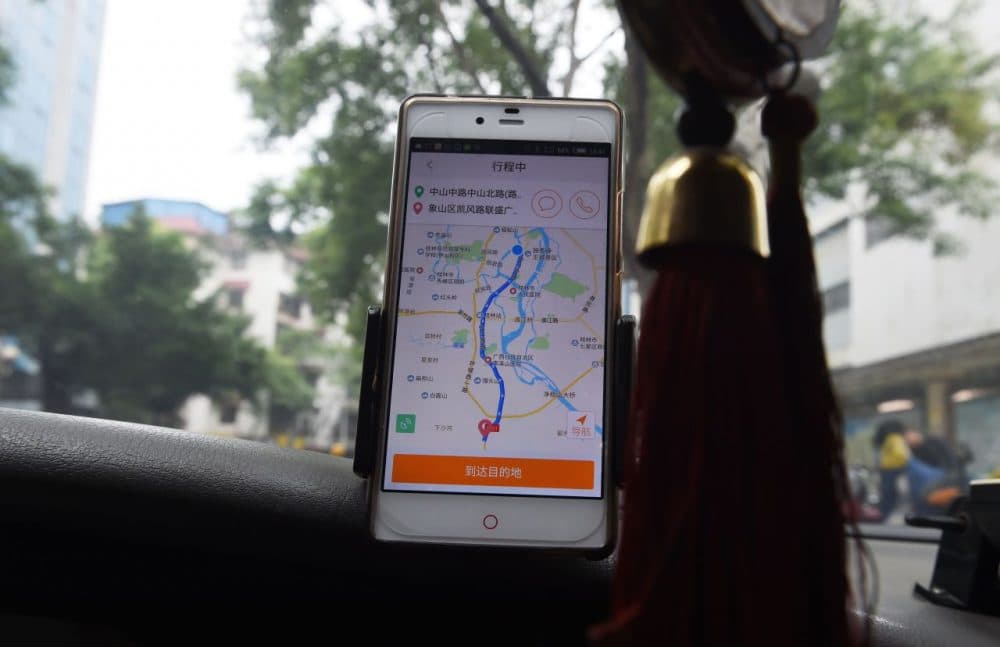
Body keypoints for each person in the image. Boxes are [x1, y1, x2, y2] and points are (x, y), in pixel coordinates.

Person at [871, 419, 966, 519]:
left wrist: (929, 489)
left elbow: (953, 470)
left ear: (913, 432)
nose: (905, 440)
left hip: (943, 489)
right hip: (925, 496)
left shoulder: (934, 443)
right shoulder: (909, 454)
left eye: (905, 436)